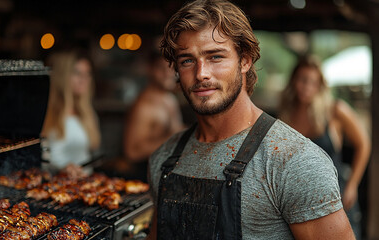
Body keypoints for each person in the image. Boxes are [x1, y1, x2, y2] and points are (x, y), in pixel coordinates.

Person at [147, 0, 355, 239]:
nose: (201, 73)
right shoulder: (164, 160)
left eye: (215, 57)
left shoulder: (295, 162)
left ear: (245, 60)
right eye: (187, 60)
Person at [278, 55, 371, 239]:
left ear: (320, 85)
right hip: (299, 197)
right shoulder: (286, 114)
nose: (306, 87)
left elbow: (364, 144)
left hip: (336, 194)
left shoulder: (334, 110)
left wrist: (352, 185)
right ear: (294, 81)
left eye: (313, 82)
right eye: (302, 80)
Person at [123, 50, 185, 182]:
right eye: (160, 68)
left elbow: (177, 132)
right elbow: (132, 153)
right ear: (149, 69)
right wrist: (175, 136)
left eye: (171, 68)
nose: (168, 74)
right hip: (144, 178)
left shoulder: (170, 99)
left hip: (166, 174)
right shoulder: (144, 106)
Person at [41, 50, 101, 175]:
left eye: (87, 74)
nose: (83, 79)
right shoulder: (47, 113)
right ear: (62, 76)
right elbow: (39, 159)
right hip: (56, 185)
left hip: (85, 185)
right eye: (77, 73)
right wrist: (59, 169)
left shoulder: (87, 113)